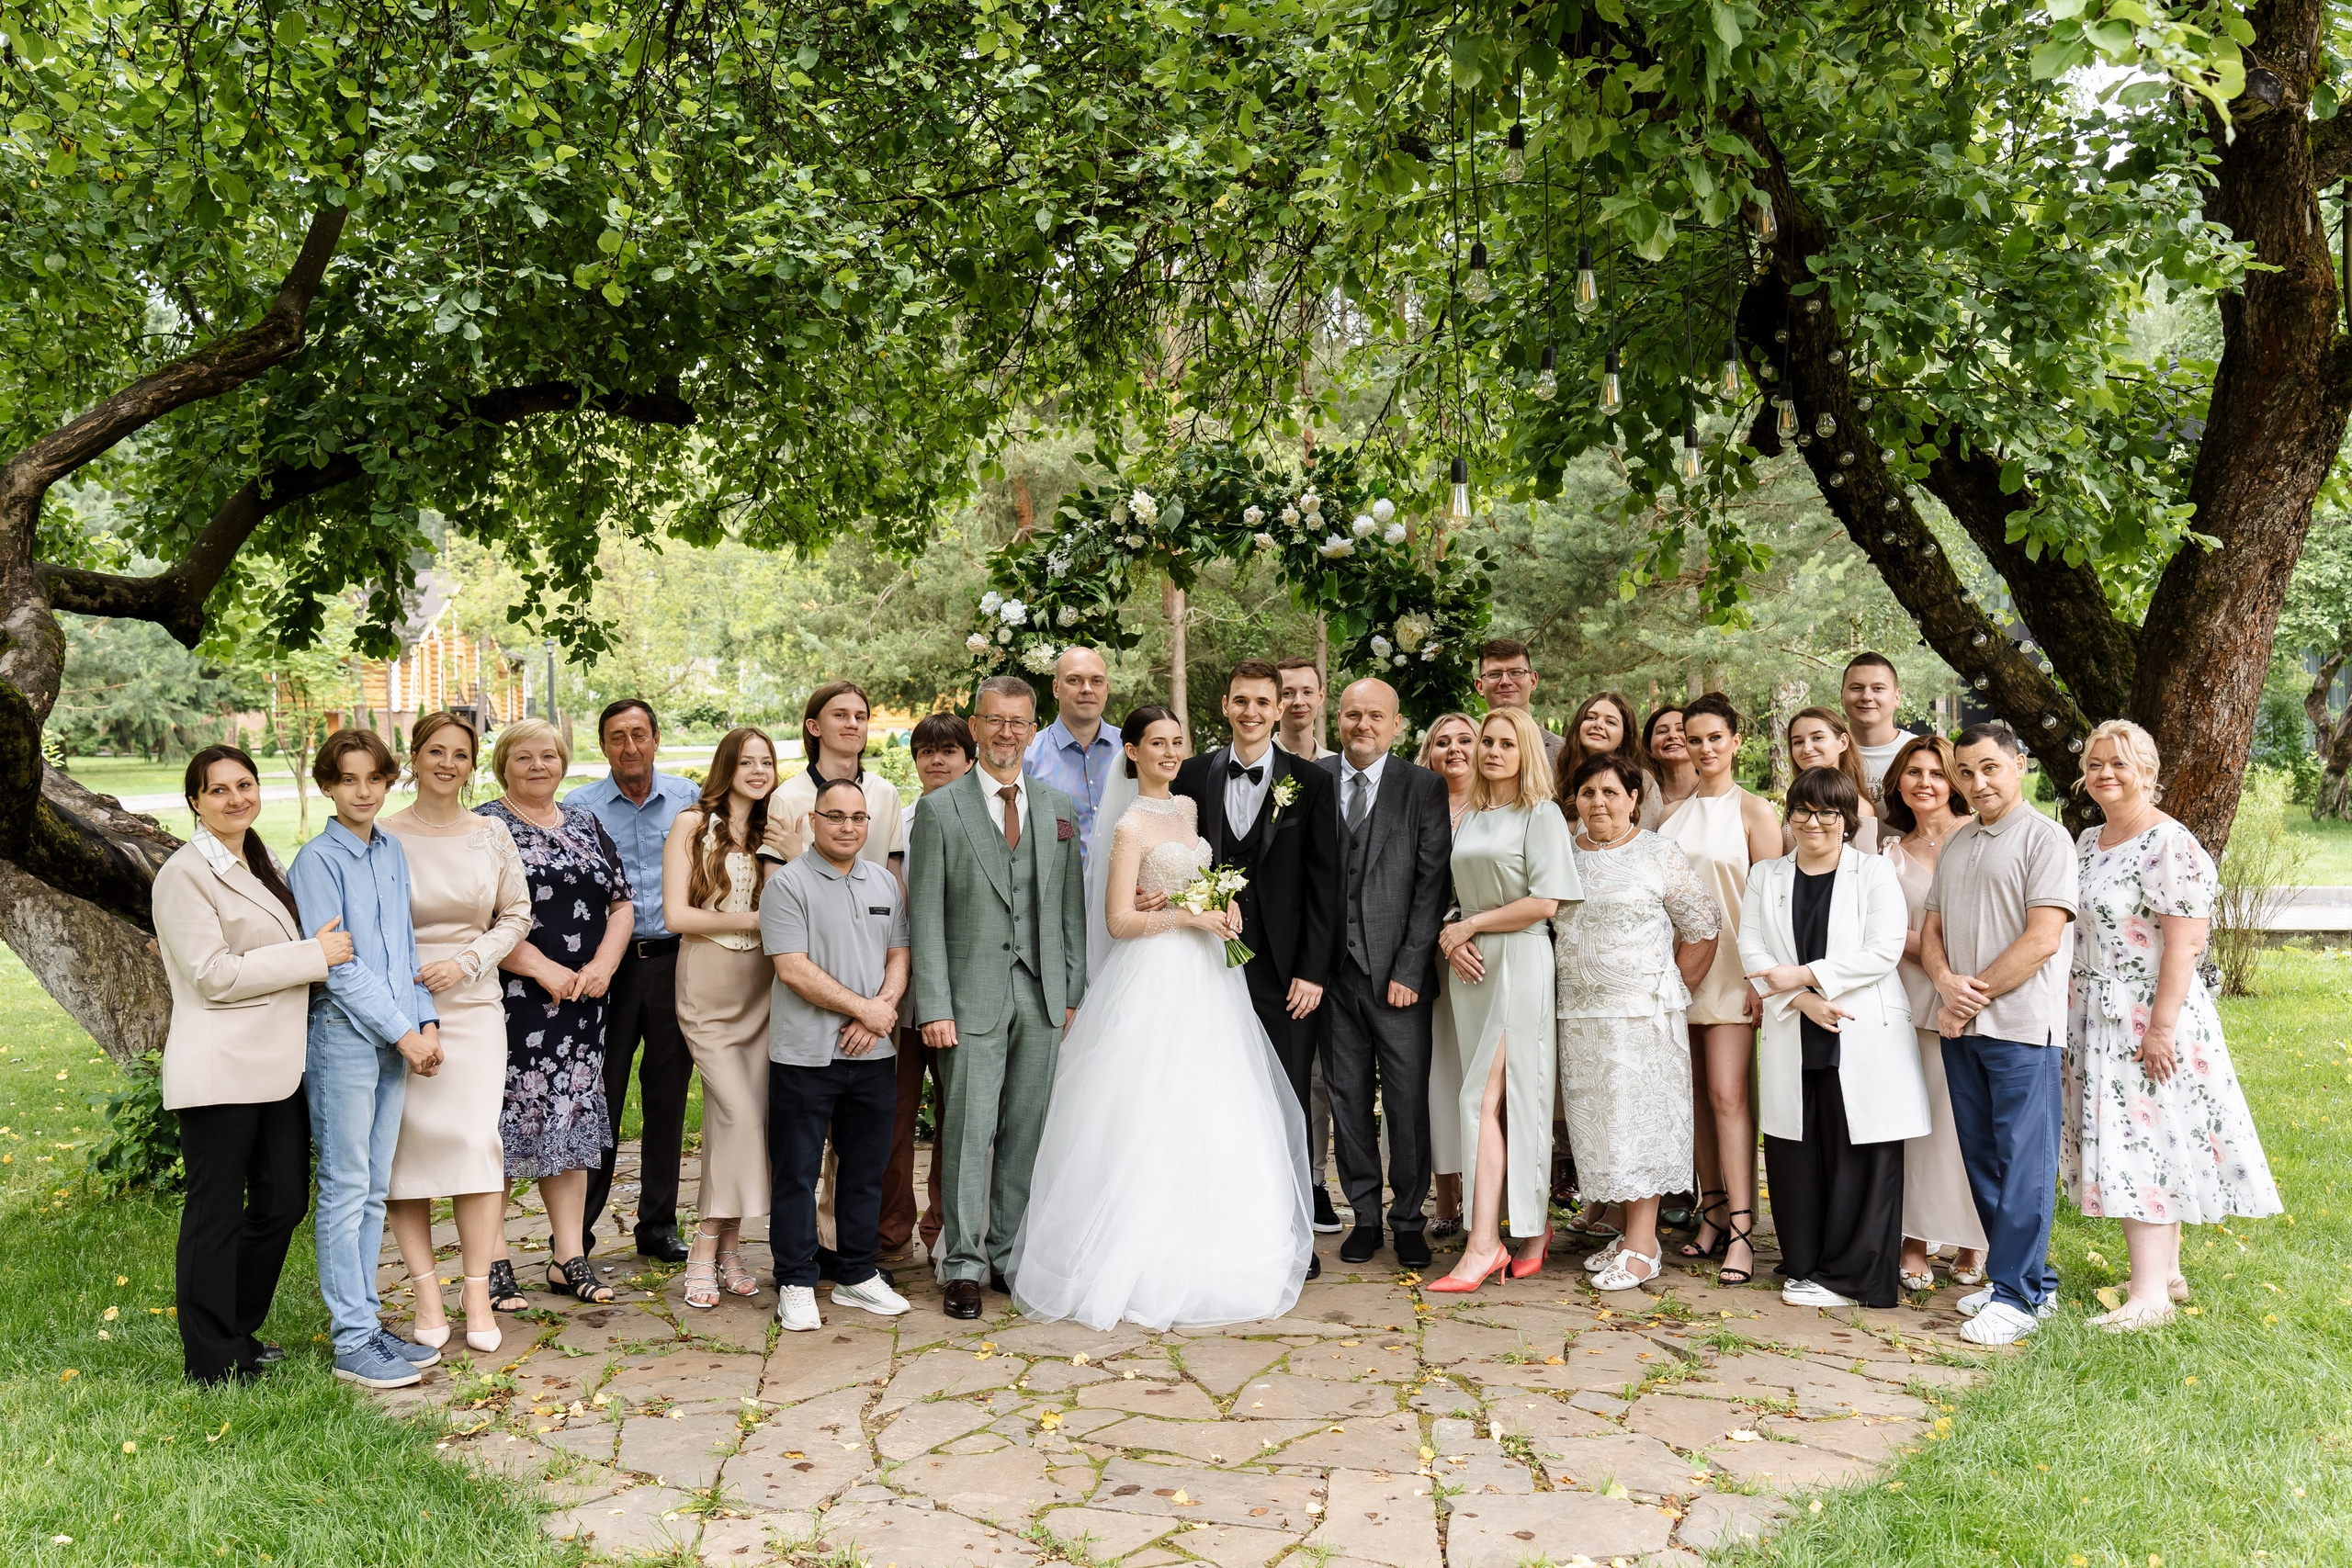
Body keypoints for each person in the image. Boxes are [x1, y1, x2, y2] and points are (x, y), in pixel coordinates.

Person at [1012, 705, 1314, 1328]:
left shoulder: (1187, 810)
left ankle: (1217, 1237)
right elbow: (1119, 920)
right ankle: (1142, 1251)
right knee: (1151, 1104)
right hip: (1153, 978)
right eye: (1157, 742)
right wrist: (1189, 915)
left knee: (1213, 1101)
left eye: (1178, 741)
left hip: (1207, 978)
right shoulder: (1127, 827)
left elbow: (1197, 879)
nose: (1170, 751)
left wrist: (1223, 908)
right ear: (1132, 751)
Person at [2065, 720, 2280, 1332]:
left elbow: (2185, 946)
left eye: (2120, 764)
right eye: (2096, 763)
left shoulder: (2169, 844)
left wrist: (2159, 1028)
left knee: (2146, 1143)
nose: (2106, 773)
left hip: (2148, 1014)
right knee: (2150, 1137)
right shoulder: (2088, 840)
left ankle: (2149, 1297)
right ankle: (2168, 1275)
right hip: (2098, 1010)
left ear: (2148, 772)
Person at [155, 745, 345, 1384]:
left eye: (245, 783)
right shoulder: (185, 873)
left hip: (275, 1065)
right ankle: (211, 1358)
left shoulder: (261, 861)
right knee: (215, 1212)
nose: (236, 797)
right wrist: (312, 956)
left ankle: (236, 1329)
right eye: (219, 790)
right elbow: (214, 975)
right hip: (221, 1066)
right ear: (195, 802)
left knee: (283, 1199)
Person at [907, 674, 1090, 1319]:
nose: (1006, 732)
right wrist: (933, 1005)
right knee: (967, 1131)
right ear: (975, 727)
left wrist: (1071, 987)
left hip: (1041, 996)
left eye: (1018, 721)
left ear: (1032, 729)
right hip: (969, 998)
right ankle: (963, 1263)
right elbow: (923, 916)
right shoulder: (939, 809)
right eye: (994, 720)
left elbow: (1070, 910)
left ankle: (1009, 1253)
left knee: (1024, 1130)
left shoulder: (1057, 806)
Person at [1172, 660, 1341, 1279]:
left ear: (1279, 710)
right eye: (1240, 700)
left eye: (1262, 702)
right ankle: (1213, 1224)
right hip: (1204, 966)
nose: (1251, 711)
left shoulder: (1312, 783)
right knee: (1210, 1094)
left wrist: (1314, 971)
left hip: (1285, 969)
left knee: (1285, 1098)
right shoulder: (1191, 775)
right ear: (1225, 705)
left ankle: (1290, 1234)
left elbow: (1328, 881)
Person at [288, 728, 446, 1388]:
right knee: (347, 1187)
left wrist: (426, 1021)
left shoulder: (392, 851)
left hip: (398, 1034)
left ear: (387, 782)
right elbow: (339, 967)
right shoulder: (316, 861)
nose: (362, 790)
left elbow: (404, 946)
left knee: (375, 1188)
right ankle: (351, 1338)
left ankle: (369, 1322)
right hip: (345, 1039)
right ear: (327, 785)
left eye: (373, 778)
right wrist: (402, 1033)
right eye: (348, 779)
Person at [1741, 767, 1930, 1309]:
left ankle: (1855, 1278)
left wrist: (1803, 977)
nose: (1814, 822)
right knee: (1797, 1150)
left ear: (1847, 820)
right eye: (1802, 810)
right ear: (1790, 815)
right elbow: (1752, 950)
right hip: (1794, 1023)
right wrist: (1800, 1001)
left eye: (1828, 812)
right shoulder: (1766, 875)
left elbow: (1884, 949)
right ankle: (1806, 1263)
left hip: (1860, 1026)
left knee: (1860, 1154)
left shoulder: (1872, 873)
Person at [1922, 723, 2077, 1346]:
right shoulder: (1959, 843)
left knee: (2024, 1165)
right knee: (1983, 1159)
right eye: (1967, 771)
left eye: (1990, 767)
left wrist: (1970, 995)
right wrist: (1943, 983)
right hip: (1962, 1023)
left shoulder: (2046, 839)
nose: (1977, 781)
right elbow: (1930, 928)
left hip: (2019, 1029)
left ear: (2019, 765)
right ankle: (2029, 1283)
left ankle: (2013, 1297)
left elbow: (2043, 938)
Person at [381, 713, 532, 1355]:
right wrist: (408, 1002)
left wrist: (469, 960)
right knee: (406, 1154)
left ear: (473, 765)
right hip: (400, 1010)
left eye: (461, 754)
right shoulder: (382, 836)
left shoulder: (492, 833)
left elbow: (518, 913)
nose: (447, 763)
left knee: (476, 1146)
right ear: (413, 757)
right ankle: (423, 1291)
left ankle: (475, 1289)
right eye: (435, 751)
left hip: (474, 1008)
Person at [1552, 755, 1721, 1293]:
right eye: (1587, 792)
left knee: (1637, 1123)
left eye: (1610, 792)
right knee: (1598, 1126)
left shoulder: (1657, 852)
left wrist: (1675, 989)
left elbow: (1702, 925)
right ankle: (1625, 1236)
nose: (1597, 802)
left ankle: (1645, 1245)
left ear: (1633, 799)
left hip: (1643, 1014)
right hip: (1579, 1014)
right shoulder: (1561, 856)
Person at [478, 718, 632, 1307]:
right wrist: (543, 969)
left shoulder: (586, 822)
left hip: (584, 1006)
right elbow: (479, 919)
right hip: (515, 1005)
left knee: (569, 1131)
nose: (539, 765)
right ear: (503, 766)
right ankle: (492, 1261)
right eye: (524, 756)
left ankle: (570, 1258)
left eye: (549, 755)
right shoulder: (487, 826)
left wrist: (602, 967)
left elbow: (621, 902)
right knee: (502, 1134)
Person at [1428, 708, 1579, 1292]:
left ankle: (1484, 1243)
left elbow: (1547, 902)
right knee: (1492, 1102)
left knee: (1482, 1100)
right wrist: (1452, 930)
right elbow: (1458, 895)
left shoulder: (1539, 815)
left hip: (1519, 961)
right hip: (1473, 972)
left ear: (1526, 754)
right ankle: (1515, 1230)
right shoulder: (1471, 818)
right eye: (1486, 741)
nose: (1491, 751)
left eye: (1505, 744)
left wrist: (1471, 927)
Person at [764, 775, 914, 1330]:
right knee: (798, 1173)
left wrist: (882, 1006)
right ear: (812, 821)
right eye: (835, 816)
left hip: (872, 1054)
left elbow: (899, 951)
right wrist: (864, 1009)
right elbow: (792, 968)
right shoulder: (787, 886)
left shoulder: (882, 881)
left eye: (857, 818)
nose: (847, 827)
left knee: (864, 1170)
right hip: (806, 1056)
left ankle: (856, 1275)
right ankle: (797, 1280)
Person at [1317, 678, 1451, 1270]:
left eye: (1375, 715)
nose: (1362, 725)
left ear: (1397, 725)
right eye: (1352, 715)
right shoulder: (1315, 783)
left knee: (1406, 1104)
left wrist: (1410, 966)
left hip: (1399, 978)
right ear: (1337, 720)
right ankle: (1365, 1217)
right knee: (1348, 1099)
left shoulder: (1422, 787)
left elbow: (1431, 883)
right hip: (1333, 977)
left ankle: (1409, 1220)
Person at [572, 699, 703, 1264]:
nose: (630, 747)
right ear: (603, 746)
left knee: (667, 1097)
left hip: (676, 962)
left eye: (639, 735)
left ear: (655, 739)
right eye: (617, 737)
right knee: (600, 1095)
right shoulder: (578, 808)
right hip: (610, 968)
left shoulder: (689, 800)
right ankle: (577, 1229)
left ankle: (657, 1223)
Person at [1657, 693, 1780, 1286]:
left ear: (1736, 740)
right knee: (1696, 1098)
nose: (1704, 747)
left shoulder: (1755, 811)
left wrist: (1761, 977)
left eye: (1715, 737)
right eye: (1694, 737)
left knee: (1730, 1094)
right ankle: (1707, 1213)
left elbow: (1773, 901)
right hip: (1681, 972)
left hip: (1736, 970)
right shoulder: (1669, 819)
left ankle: (1742, 1229)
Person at [662, 727, 783, 1308]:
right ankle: (705, 1245)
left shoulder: (773, 828)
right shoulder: (693, 824)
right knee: (738, 1113)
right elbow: (677, 915)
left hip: (762, 989)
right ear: (727, 765)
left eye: (767, 761)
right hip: (708, 985)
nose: (758, 771)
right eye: (748, 761)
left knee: (744, 1117)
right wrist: (760, 922)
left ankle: (732, 1247)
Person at [1878, 734, 1989, 1292]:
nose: (1925, 783)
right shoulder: (1888, 855)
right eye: (1914, 772)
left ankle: (1975, 1239)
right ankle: (1915, 1236)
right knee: (1919, 1126)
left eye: (1937, 773)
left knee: (1969, 1123)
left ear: (1957, 782)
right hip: (1911, 999)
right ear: (1899, 781)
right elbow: (1880, 930)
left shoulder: (1979, 841)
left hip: (1974, 998)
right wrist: (1931, 963)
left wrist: (1959, 983)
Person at [879, 713, 975, 1261]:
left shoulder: (985, 819)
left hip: (960, 997)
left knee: (958, 1117)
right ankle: (890, 1233)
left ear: (969, 757)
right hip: (896, 992)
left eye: (948, 751)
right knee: (891, 1117)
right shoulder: (900, 822)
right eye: (926, 751)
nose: (937, 760)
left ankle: (944, 1231)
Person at [1274, 653, 1339, 1227]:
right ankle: (1300, 1179)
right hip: (1271, 948)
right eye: (1285, 692)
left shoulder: (1341, 771)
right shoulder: (1242, 768)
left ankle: (1317, 1178)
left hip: (1335, 947)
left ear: (1321, 698)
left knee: (1325, 1074)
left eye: (1305, 692)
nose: (1297, 701)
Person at [1418, 713, 1480, 1240]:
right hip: (1429, 959)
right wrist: (1443, 930)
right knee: (1439, 1074)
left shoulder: (1498, 810)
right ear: (1428, 752)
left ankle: (1487, 1196)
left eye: (1466, 740)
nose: (1455, 750)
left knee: (1481, 1077)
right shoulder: (1417, 807)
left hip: (1484, 957)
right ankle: (1446, 1194)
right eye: (1443, 742)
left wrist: (1466, 930)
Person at [774, 681, 905, 874]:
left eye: (860, 717)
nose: (852, 724)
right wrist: (796, 860)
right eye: (840, 715)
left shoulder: (885, 793)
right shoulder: (786, 798)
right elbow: (774, 889)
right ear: (814, 727)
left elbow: (894, 879)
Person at [1024, 647, 1121, 858]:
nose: (1087, 689)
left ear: (1106, 689)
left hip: (1125, 890)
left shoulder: (1131, 751)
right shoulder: (1027, 756)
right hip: (1056, 890)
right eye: (1075, 680)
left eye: (1096, 681)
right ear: (1056, 688)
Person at [1781, 707, 1881, 853]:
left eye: (1817, 738)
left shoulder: (1860, 808)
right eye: (1798, 742)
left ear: (1843, 742)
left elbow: (1866, 870)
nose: (1807, 749)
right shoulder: (1795, 799)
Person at [1557, 692, 1662, 829]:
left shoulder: (1642, 781)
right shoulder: (1556, 774)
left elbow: (1649, 840)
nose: (1598, 724)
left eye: (1610, 722)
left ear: (1624, 736)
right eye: (1590, 717)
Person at [1472, 638, 1566, 770]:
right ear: (1479, 686)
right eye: (1494, 674)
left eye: (1516, 672)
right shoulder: (1466, 749)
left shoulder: (1564, 752)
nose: (1505, 681)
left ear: (1533, 681)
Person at [1839, 653, 1913, 805]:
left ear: (1897, 697)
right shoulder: (1826, 751)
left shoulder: (1922, 752)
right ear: (1842, 696)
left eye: (1878, 688)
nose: (1866, 696)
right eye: (1857, 688)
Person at [1645, 706, 1697, 819]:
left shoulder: (1714, 791)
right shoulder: (1641, 798)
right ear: (1649, 749)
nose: (1672, 736)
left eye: (1681, 729)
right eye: (1662, 731)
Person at [1276, 655, 1332, 761]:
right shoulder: (1257, 762)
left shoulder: (1339, 765)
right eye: (1287, 693)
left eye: (1307, 692)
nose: (1299, 702)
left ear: (1320, 697)